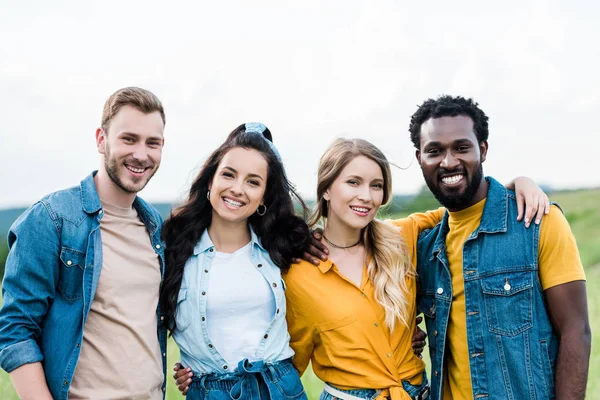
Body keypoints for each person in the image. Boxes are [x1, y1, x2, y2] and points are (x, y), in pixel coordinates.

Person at [175, 137, 547, 400]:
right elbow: (282, 354)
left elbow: (464, 205)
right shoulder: (298, 271)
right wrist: (202, 374)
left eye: (376, 185)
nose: (366, 196)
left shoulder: (402, 236)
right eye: (353, 182)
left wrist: (517, 184)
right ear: (326, 188)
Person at [409, 95, 590, 399]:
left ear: (482, 149)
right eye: (435, 151)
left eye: (461, 148)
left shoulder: (538, 222)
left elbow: (576, 330)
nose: (449, 161)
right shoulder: (425, 248)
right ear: (419, 159)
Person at [0, 87, 168, 399]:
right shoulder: (51, 219)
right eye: (128, 139)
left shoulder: (154, 228)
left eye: (152, 143)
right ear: (101, 140)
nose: (141, 154)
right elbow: (15, 330)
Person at [160, 122, 311, 399]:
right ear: (210, 181)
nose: (237, 189)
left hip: (280, 389)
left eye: (253, 181)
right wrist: (189, 370)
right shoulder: (172, 252)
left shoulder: (284, 249)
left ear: (265, 195)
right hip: (208, 391)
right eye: (228, 175)